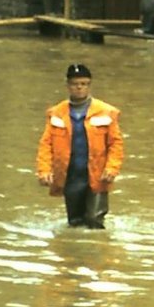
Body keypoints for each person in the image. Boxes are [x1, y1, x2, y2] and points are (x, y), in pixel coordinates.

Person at [35, 63, 123, 229]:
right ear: (68, 86)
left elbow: (115, 143)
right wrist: (44, 170)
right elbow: (46, 144)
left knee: (95, 220)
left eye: (84, 84)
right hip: (70, 174)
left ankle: (97, 251)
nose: (79, 88)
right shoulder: (56, 113)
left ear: (89, 85)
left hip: (97, 173)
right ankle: (76, 253)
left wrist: (112, 168)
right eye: (75, 84)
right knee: (74, 222)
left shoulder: (106, 112)